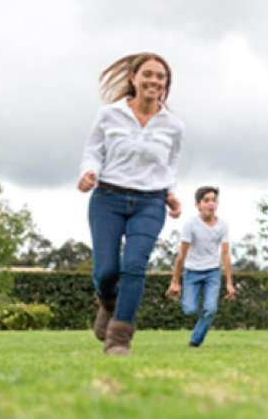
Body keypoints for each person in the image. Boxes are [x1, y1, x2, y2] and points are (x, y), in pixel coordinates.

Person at [78, 52, 184, 355]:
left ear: (166, 84)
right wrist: (89, 173)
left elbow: (170, 165)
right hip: (107, 198)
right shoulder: (109, 114)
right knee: (106, 271)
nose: (154, 80)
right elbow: (93, 151)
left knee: (135, 265)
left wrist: (171, 192)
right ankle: (108, 302)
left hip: (149, 202)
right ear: (133, 78)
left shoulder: (174, 125)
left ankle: (119, 337)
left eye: (160, 76)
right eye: (148, 74)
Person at [165, 186, 235, 347]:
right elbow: (181, 255)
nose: (211, 204)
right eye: (206, 200)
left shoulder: (223, 226)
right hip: (192, 272)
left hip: (212, 272)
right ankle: (188, 302)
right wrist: (175, 281)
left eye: (214, 200)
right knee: (189, 309)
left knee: (210, 309)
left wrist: (229, 283)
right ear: (198, 205)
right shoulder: (190, 224)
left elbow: (225, 254)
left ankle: (195, 341)